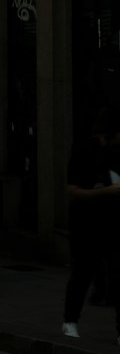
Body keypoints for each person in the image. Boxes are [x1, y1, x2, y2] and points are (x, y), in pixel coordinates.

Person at [62, 107, 120, 339]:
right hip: (85, 224)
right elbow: (73, 190)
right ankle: (70, 320)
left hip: (111, 224)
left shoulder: (115, 152)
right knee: (82, 273)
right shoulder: (83, 149)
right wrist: (108, 191)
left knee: (117, 275)